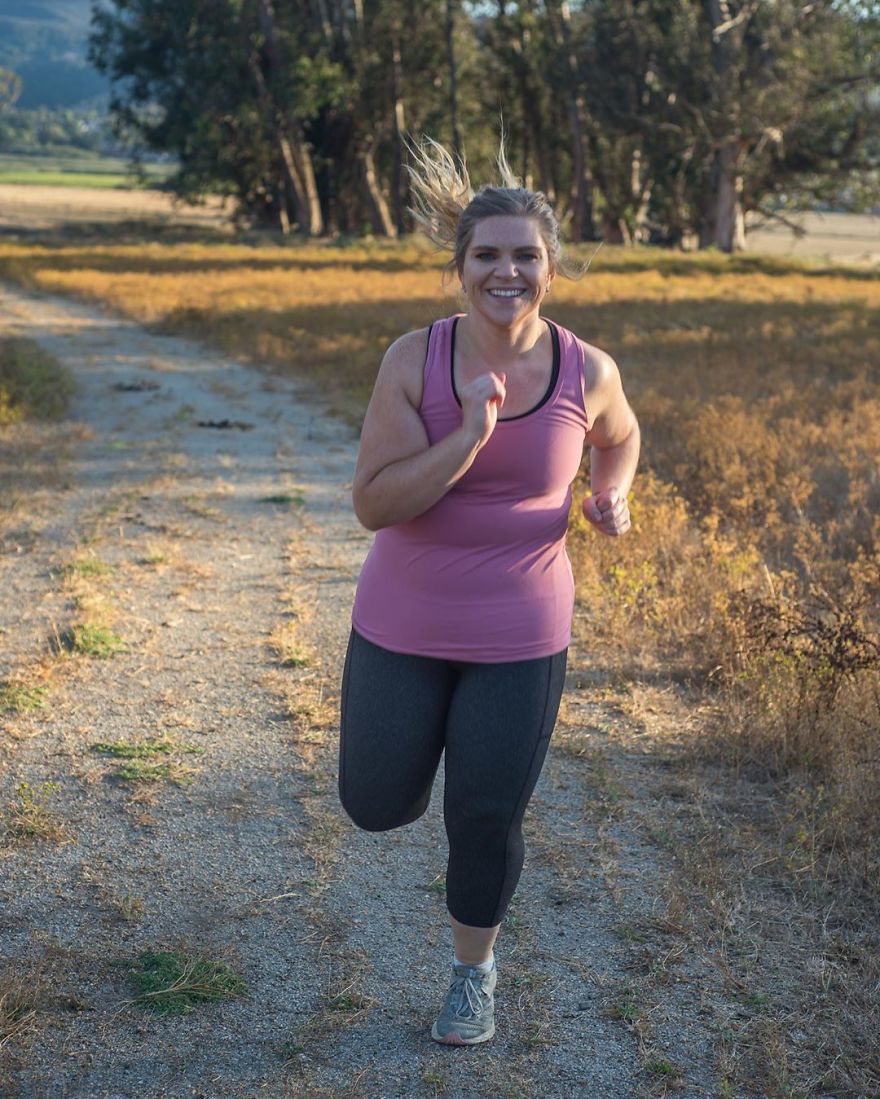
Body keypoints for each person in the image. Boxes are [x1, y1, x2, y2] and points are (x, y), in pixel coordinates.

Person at [338, 137, 640, 1046]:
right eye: (486, 255)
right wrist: (469, 435)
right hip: (402, 622)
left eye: (525, 255)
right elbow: (372, 503)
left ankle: (474, 974)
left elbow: (620, 437)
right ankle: (417, 757)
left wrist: (610, 491)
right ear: (459, 268)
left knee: (484, 813)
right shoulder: (414, 360)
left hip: (522, 628)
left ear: (549, 269)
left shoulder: (586, 369)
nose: (505, 271)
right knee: (376, 802)